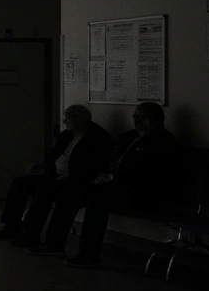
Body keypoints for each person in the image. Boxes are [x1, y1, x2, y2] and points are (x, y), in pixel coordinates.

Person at [30, 102, 180, 268]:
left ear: (148, 120)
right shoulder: (131, 137)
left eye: (138, 117)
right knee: (71, 192)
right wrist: (105, 174)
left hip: (141, 192)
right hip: (118, 185)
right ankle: (54, 244)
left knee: (97, 198)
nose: (134, 120)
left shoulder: (162, 142)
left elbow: (148, 174)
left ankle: (89, 254)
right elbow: (115, 161)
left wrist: (112, 177)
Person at [0, 105, 115, 245]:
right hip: (54, 174)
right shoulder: (67, 134)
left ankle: (31, 234)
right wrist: (41, 165)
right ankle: (11, 227)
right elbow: (54, 154)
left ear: (78, 120)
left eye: (66, 119)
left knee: (44, 189)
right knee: (19, 183)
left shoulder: (97, 138)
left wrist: (64, 177)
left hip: (74, 179)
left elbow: (92, 168)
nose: (64, 122)